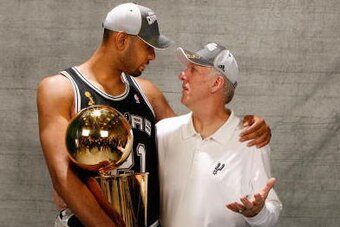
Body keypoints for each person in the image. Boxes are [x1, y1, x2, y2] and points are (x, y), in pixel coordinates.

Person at [37, 3, 272, 227]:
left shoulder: (148, 93)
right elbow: (64, 178)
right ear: (121, 40)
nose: (152, 56)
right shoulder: (61, 89)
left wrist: (243, 124)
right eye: (147, 46)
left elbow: (194, 138)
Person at [156, 43, 282, 227]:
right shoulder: (163, 133)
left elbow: (271, 211)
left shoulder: (250, 142)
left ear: (216, 83)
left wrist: (257, 213)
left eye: (193, 69)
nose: (182, 75)